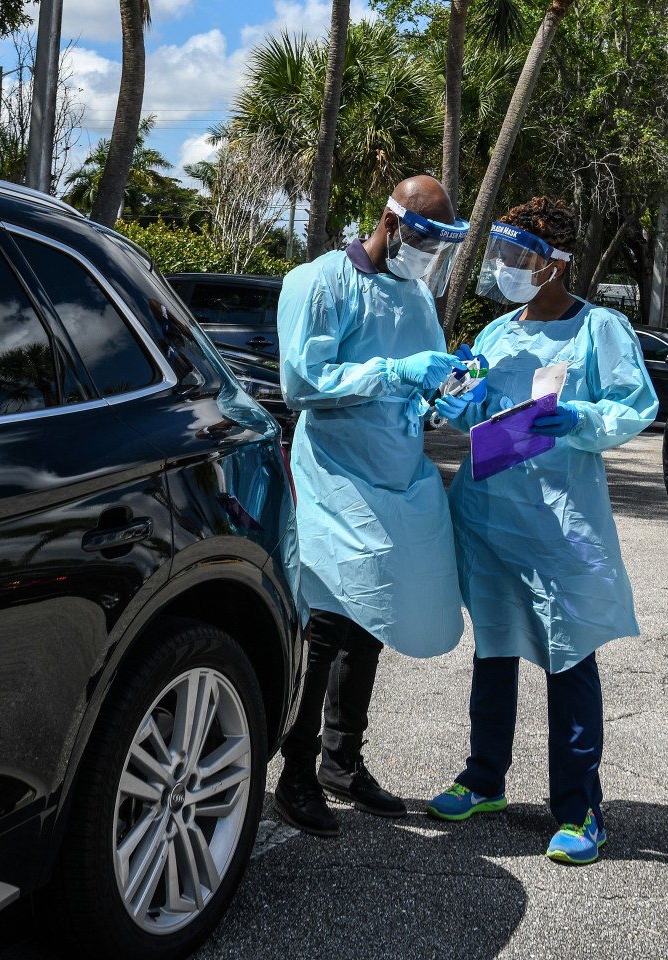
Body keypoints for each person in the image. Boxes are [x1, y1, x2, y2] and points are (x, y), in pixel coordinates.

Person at [425, 197, 656, 865]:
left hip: (560, 521)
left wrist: (582, 417)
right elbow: (472, 420)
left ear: (555, 265)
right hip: (490, 513)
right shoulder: (497, 335)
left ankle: (581, 808)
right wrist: (457, 404)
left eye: (520, 256)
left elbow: (634, 404)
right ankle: (483, 778)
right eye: (502, 253)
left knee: (569, 653)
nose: (505, 267)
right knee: (493, 647)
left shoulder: (599, 329)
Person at [273, 175, 470, 837]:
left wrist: (444, 394)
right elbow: (302, 383)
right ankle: (294, 772)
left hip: (395, 476)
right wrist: (393, 374)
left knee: (370, 623)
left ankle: (342, 763)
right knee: (326, 627)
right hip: (336, 478)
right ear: (390, 221)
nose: (428, 255)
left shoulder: (416, 294)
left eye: (440, 245)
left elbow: (420, 387)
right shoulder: (320, 281)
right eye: (423, 238)